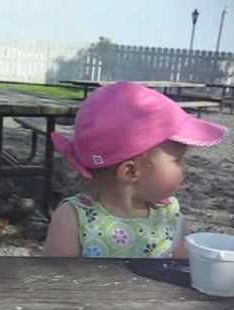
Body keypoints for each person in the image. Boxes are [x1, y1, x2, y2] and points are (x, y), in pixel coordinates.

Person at [43, 81, 228, 258]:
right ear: (130, 172)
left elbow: (180, 274)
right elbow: (54, 281)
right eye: (177, 160)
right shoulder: (74, 219)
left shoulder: (170, 217)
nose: (184, 169)